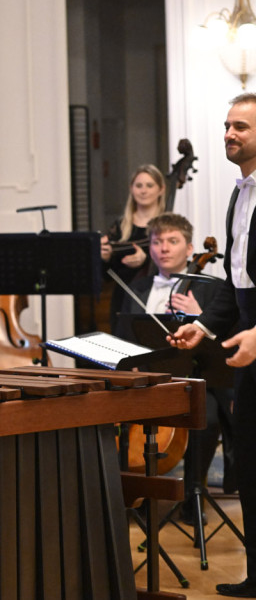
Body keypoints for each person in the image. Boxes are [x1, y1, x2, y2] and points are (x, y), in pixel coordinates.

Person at [169, 93, 256, 598]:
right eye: (226, 125)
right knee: (250, 464)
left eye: (240, 126)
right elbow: (234, 279)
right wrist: (204, 326)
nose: (229, 133)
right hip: (245, 348)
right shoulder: (238, 195)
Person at [115, 212, 232, 526]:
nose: (164, 248)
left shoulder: (213, 288)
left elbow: (227, 340)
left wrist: (201, 316)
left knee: (205, 415)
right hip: (146, 379)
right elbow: (123, 336)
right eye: (157, 242)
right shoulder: (137, 288)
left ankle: (193, 492)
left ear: (189, 247)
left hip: (194, 379)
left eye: (172, 241)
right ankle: (138, 492)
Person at [100, 164, 167, 326]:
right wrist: (105, 258)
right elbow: (106, 277)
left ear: (161, 189)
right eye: (139, 185)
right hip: (123, 298)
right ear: (131, 189)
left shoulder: (167, 225)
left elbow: (176, 265)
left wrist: (146, 260)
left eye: (149, 185)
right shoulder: (120, 226)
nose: (143, 191)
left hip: (158, 298)